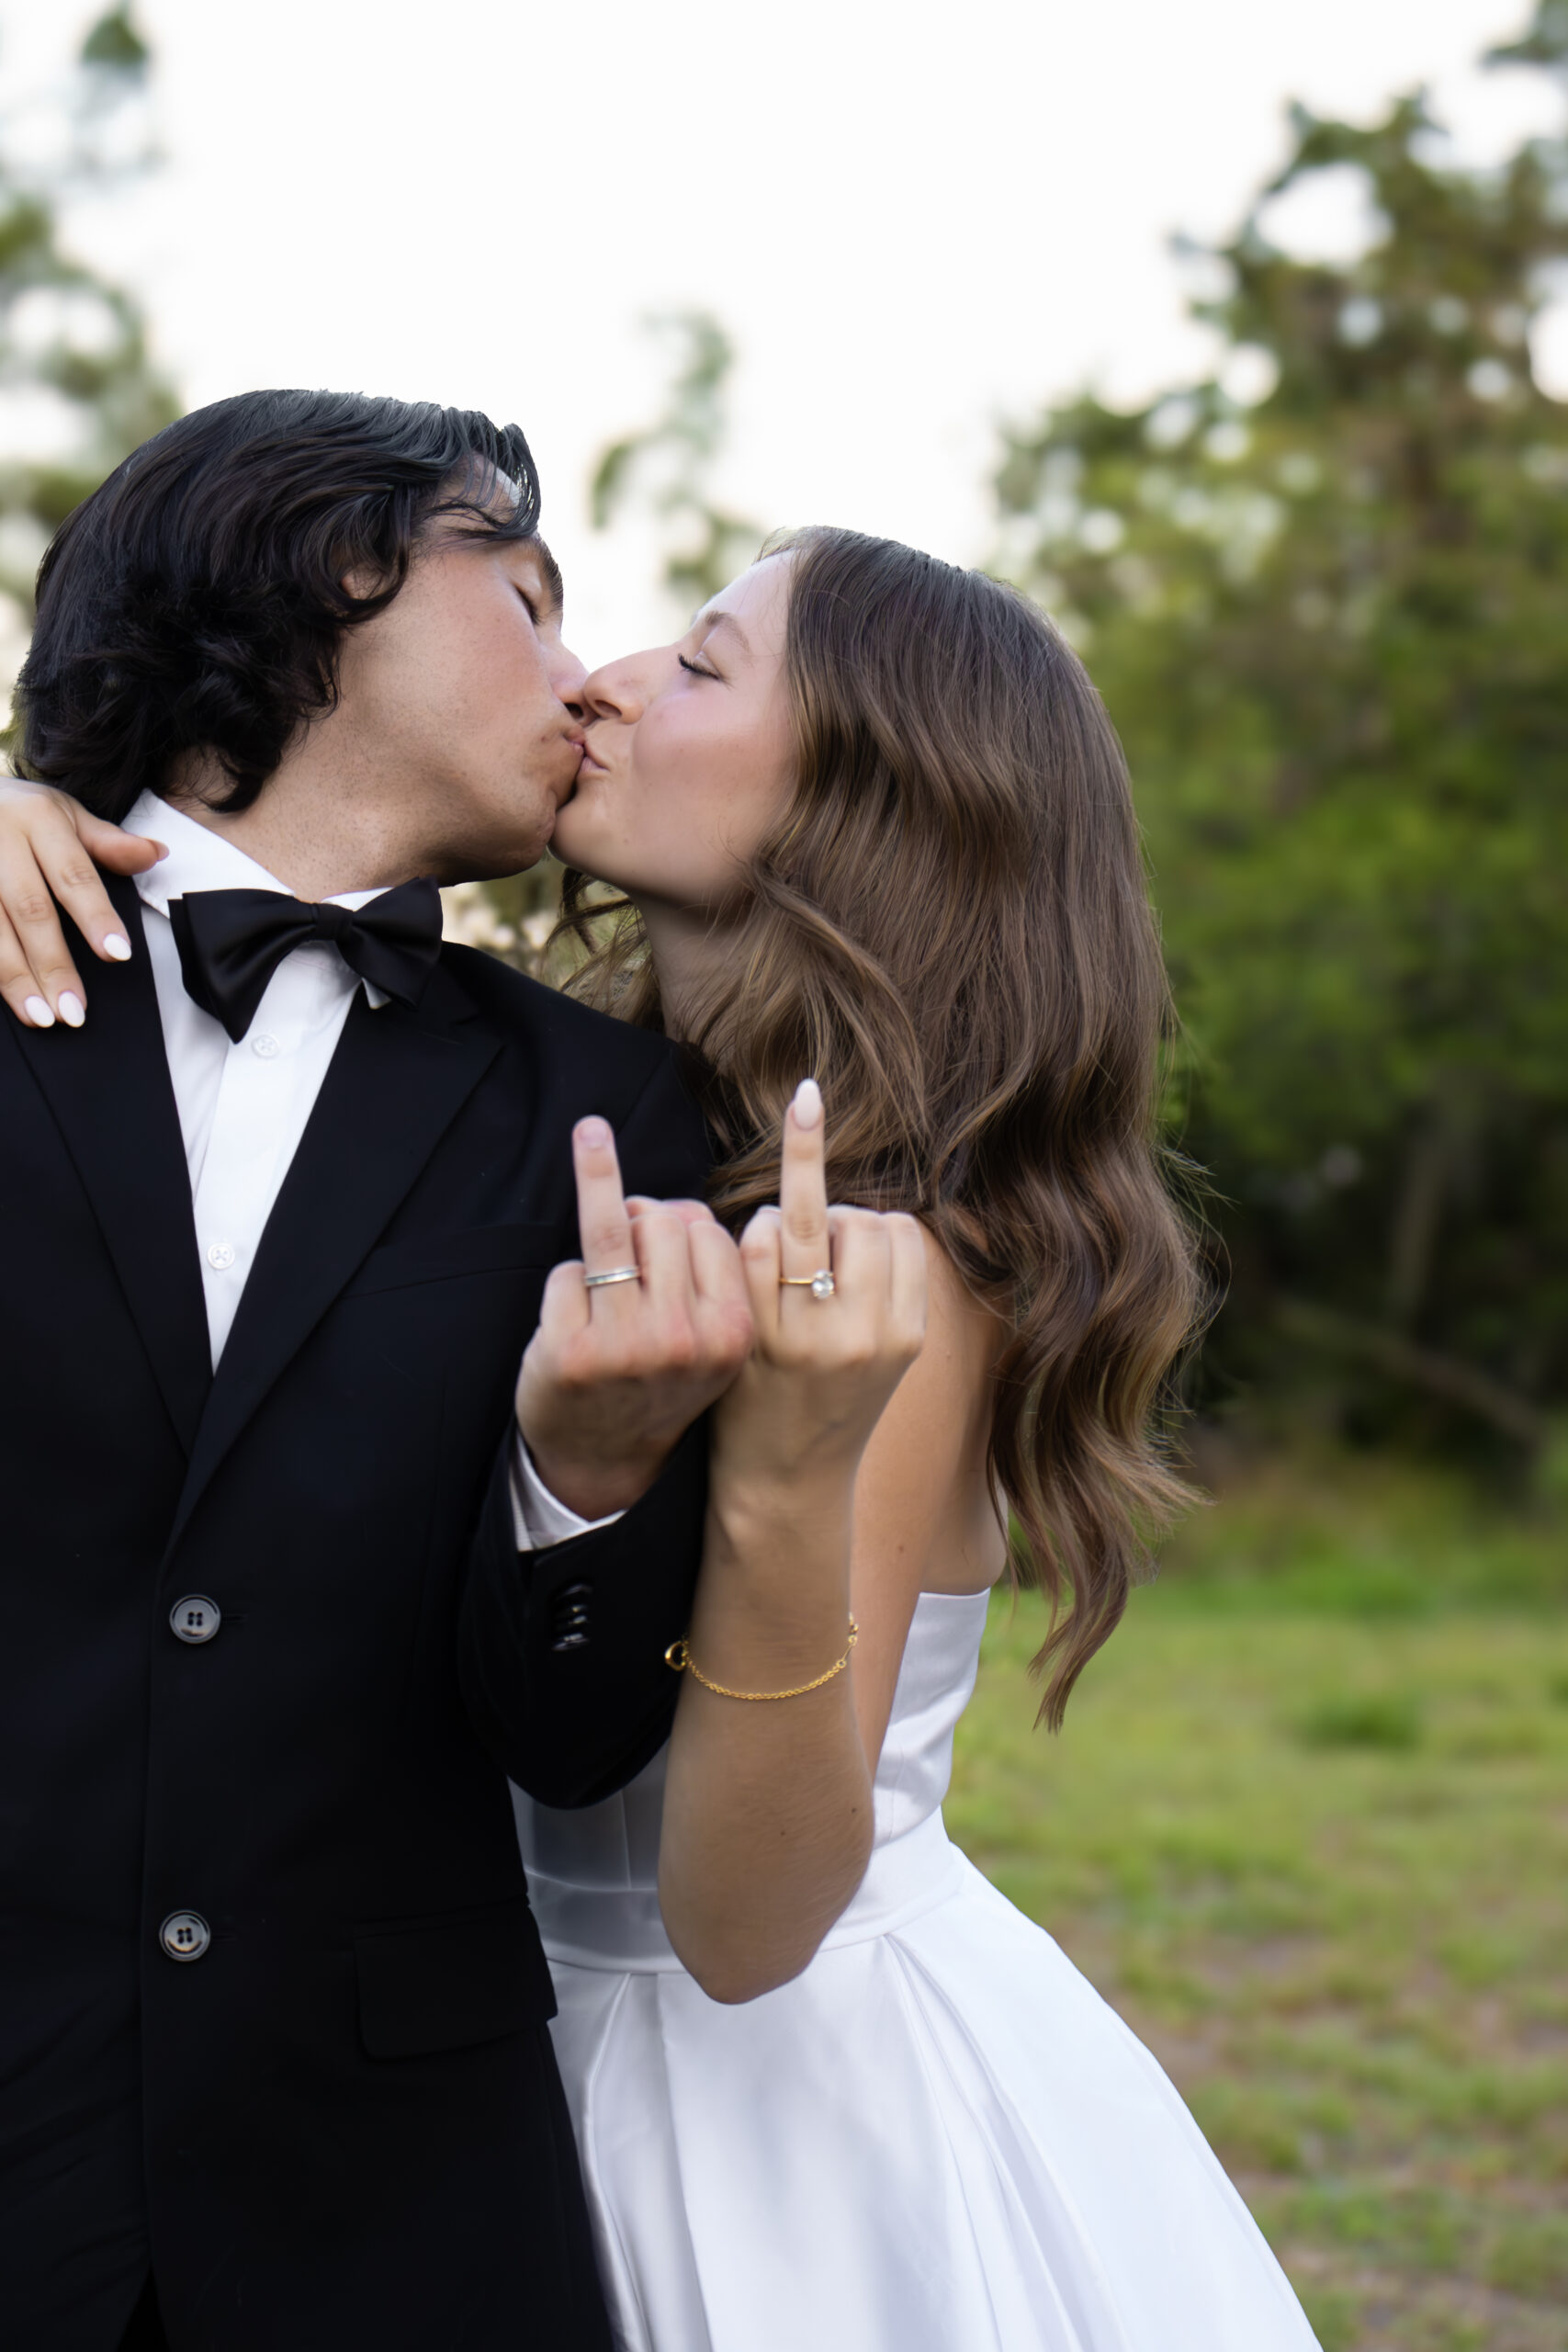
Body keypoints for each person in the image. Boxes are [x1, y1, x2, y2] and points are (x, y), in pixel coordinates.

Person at [1, 526, 1323, 2347]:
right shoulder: (569, 1118)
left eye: (699, 662)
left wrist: (779, 1470)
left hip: (757, 2118)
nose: (603, 681)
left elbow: (743, 1920)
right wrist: (38, 816)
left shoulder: (893, 1268)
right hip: (458, 2062)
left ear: (868, 797)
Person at [0, 390, 758, 2352]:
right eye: (521, 590)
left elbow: (575, 1738)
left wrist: (580, 1478)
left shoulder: (603, 1107)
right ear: (340, 573)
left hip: (393, 2200)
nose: (583, 676)